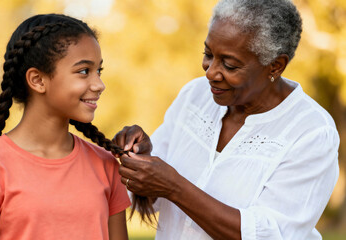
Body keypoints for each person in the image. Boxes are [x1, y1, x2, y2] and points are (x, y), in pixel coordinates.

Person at [113, 0, 340, 239]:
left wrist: (175, 187)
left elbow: (270, 234)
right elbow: (151, 199)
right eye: (208, 54)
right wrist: (140, 161)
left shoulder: (312, 132)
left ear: (275, 66)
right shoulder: (195, 96)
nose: (210, 72)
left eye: (229, 65)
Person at [0, 14, 130, 240]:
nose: (99, 84)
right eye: (84, 71)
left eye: (99, 71)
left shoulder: (106, 165)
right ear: (37, 80)